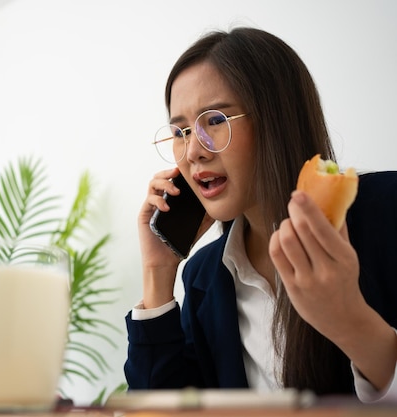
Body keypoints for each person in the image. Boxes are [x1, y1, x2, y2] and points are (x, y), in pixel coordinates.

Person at [124, 27, 397, 403]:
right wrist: (158, 272)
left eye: (215, 120)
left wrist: (350, 319)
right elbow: (161, 411)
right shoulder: (204, 277)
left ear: (277, 118)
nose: (192, 153)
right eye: (181, 130)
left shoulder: (386, 211)